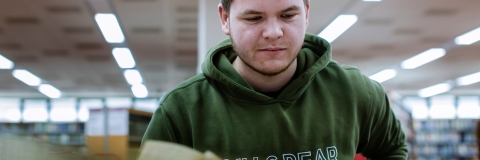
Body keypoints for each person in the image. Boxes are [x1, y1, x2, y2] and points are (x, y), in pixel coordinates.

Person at [142, 0, 408, 159]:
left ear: (305, 13)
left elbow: (393, 149)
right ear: (225, 19)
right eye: (254, 17)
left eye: (287, 15)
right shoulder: (180, 111)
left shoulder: (356, 91)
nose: (273, 32)